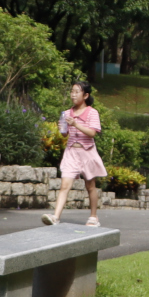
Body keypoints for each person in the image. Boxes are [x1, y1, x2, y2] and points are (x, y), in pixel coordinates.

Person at [44, 82, 105, 227]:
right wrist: (62, 129)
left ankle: (93, 217)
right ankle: (55, 217)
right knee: (64, 185)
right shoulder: (66, 113)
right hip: (71, 152)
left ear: (85, 95)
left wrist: (76, 124)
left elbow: (92, 133)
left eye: (77, 92)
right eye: (72, 91)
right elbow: (65, 134)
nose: (73, 94)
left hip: (87, 152)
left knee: (90, 186)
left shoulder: (92, 112)